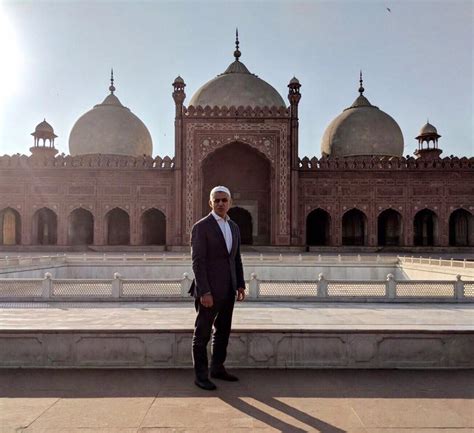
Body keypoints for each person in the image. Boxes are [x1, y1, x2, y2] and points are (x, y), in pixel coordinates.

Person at [189, 185, 246, 390]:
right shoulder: (201, 226)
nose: (221, 203)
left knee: (223, 331)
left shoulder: (233, 227)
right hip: (209, 292)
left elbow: (235, 258)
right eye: (217, 200)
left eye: (224, 200)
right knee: (202, 334)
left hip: (228, 289)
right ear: (210, 203)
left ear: (230, 203)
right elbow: (198, 262)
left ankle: (217, 367)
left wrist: (240, 284)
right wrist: (204, 291)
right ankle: (201, 376)